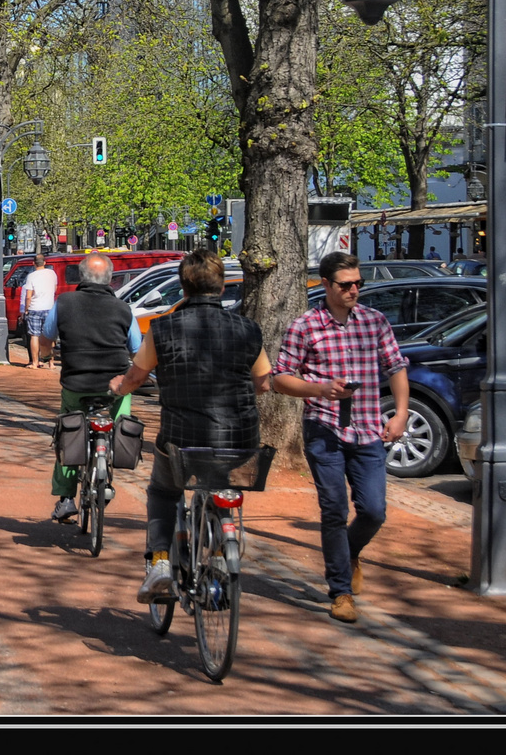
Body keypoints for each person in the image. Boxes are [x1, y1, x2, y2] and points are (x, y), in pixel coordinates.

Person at [108, 251, 271, 605]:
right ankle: (217, 544)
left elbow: (136, 377)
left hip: (183, 437)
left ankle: (160, 561)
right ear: (222, 286)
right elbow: (263, 382)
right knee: (219, 482)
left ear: (183, 286)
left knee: (164, 492)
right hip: (240, 438)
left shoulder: (163, 328)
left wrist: (120, 386)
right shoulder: (248, 329)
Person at [271, 251, 411, 625]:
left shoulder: (374, 321)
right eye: (345, 285)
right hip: (324, 429)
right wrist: (319, 389)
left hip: (367, 429)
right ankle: (341, 590)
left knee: (373, 510)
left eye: (358, 284)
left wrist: (400, 413)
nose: (353, 290)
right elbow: (280, 379)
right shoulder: (306, 325)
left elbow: (396, 366)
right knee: (333, 509)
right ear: (327, 285)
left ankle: (349, 552)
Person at [40, 252, 140, 523]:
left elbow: (46, 338)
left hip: (76, 383)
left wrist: (46, 356)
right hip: (115, 386)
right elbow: (136, 349)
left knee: (69, 433)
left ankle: (65, 499)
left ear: (81, 278)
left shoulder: (64, 302)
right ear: (110, 280)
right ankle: (109, 461)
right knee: (118, 421)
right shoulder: (123, 309)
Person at [23, 260, 58, 369]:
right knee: (50, 336)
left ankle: (35, 362)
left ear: (33, 263)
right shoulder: (52, 274)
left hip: (35, 308)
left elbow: (28, 295)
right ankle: (51, 363)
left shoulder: (31, 276)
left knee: (34, 335)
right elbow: (55, 289)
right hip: (49, 307)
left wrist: (26, 309)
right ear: (44, 262)